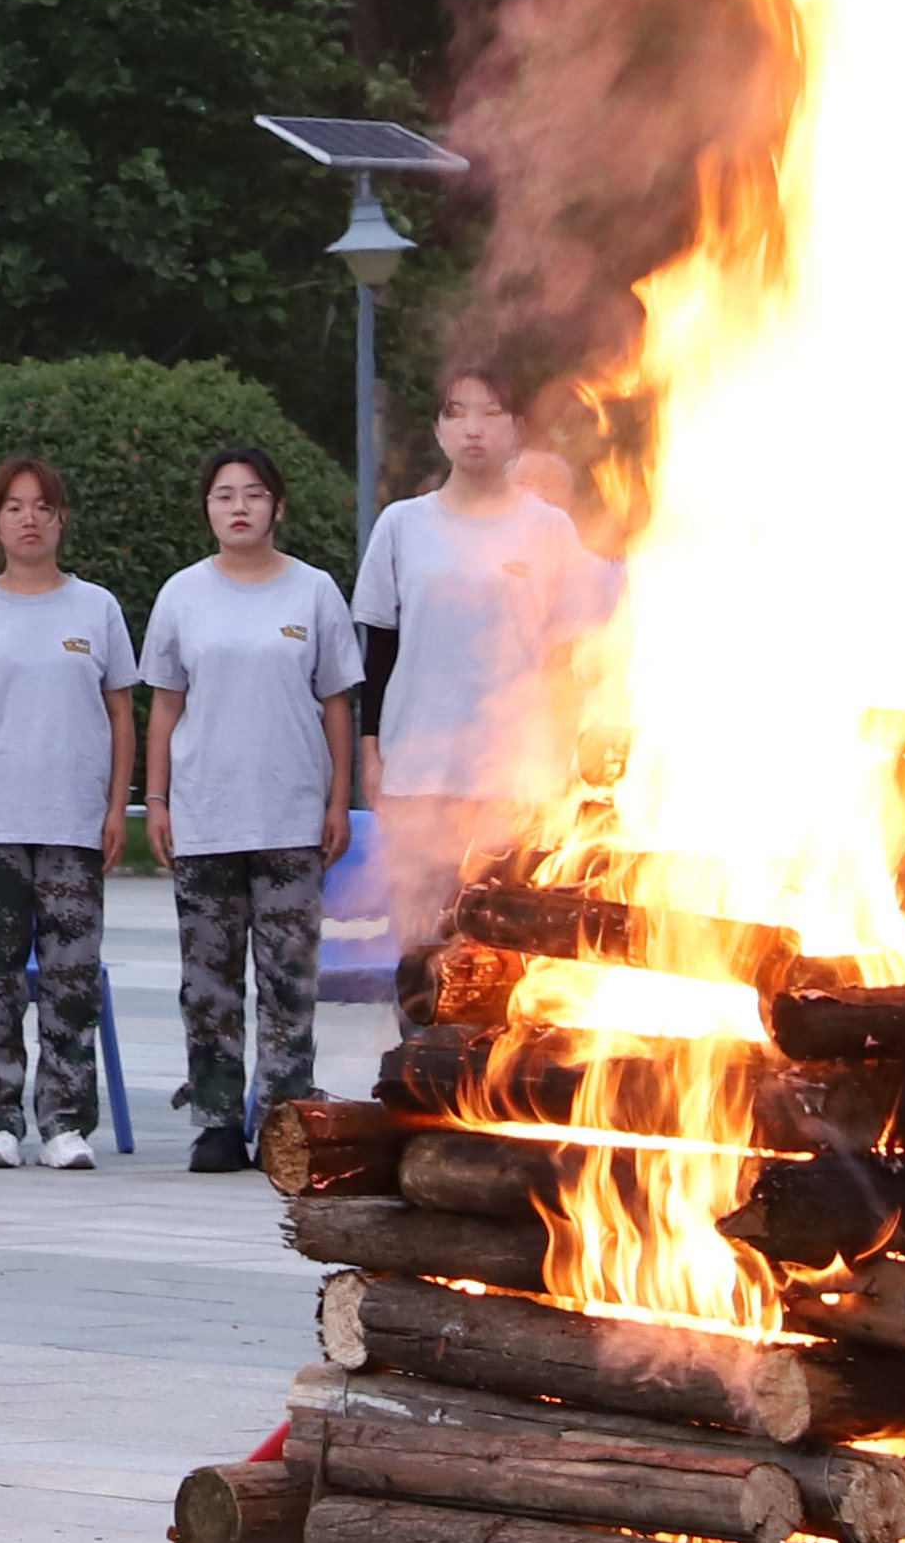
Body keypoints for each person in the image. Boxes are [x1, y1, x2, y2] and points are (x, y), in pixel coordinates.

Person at [141, 447, 359, 1179]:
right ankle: (214, 1119)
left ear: (278, 507)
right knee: (208, 981)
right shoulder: (182, 594)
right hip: (206, 814)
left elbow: (337, 702)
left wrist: (338, 799)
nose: (239, 507)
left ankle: (282, 1121)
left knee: (289, 980)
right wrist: (157, 799)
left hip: (291, 817)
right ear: (207, 509)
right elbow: (165, 703)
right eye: (224, 495)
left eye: (254, 494)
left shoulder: (314, 592)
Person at [0, 457, 136, 1171]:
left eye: (42, 507)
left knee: (70, 977)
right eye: (14, 507)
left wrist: (117, 806)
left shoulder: (96, 608)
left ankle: (65, 1121)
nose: (29, 519)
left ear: (61, 519)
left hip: (74, 821)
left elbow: (121, 714)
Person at [351, 361, 617, 890]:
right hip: (420, 769)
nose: (473, 429)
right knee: (422, 925)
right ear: (439, 430)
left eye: (491, 414)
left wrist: (564, 758)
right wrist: (372, 753)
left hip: (517, 773)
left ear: (516, 430)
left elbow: (564, 658)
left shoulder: (548, 528)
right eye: (457, 414)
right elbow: (379, 652)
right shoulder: (402, 524)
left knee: (506, 923)